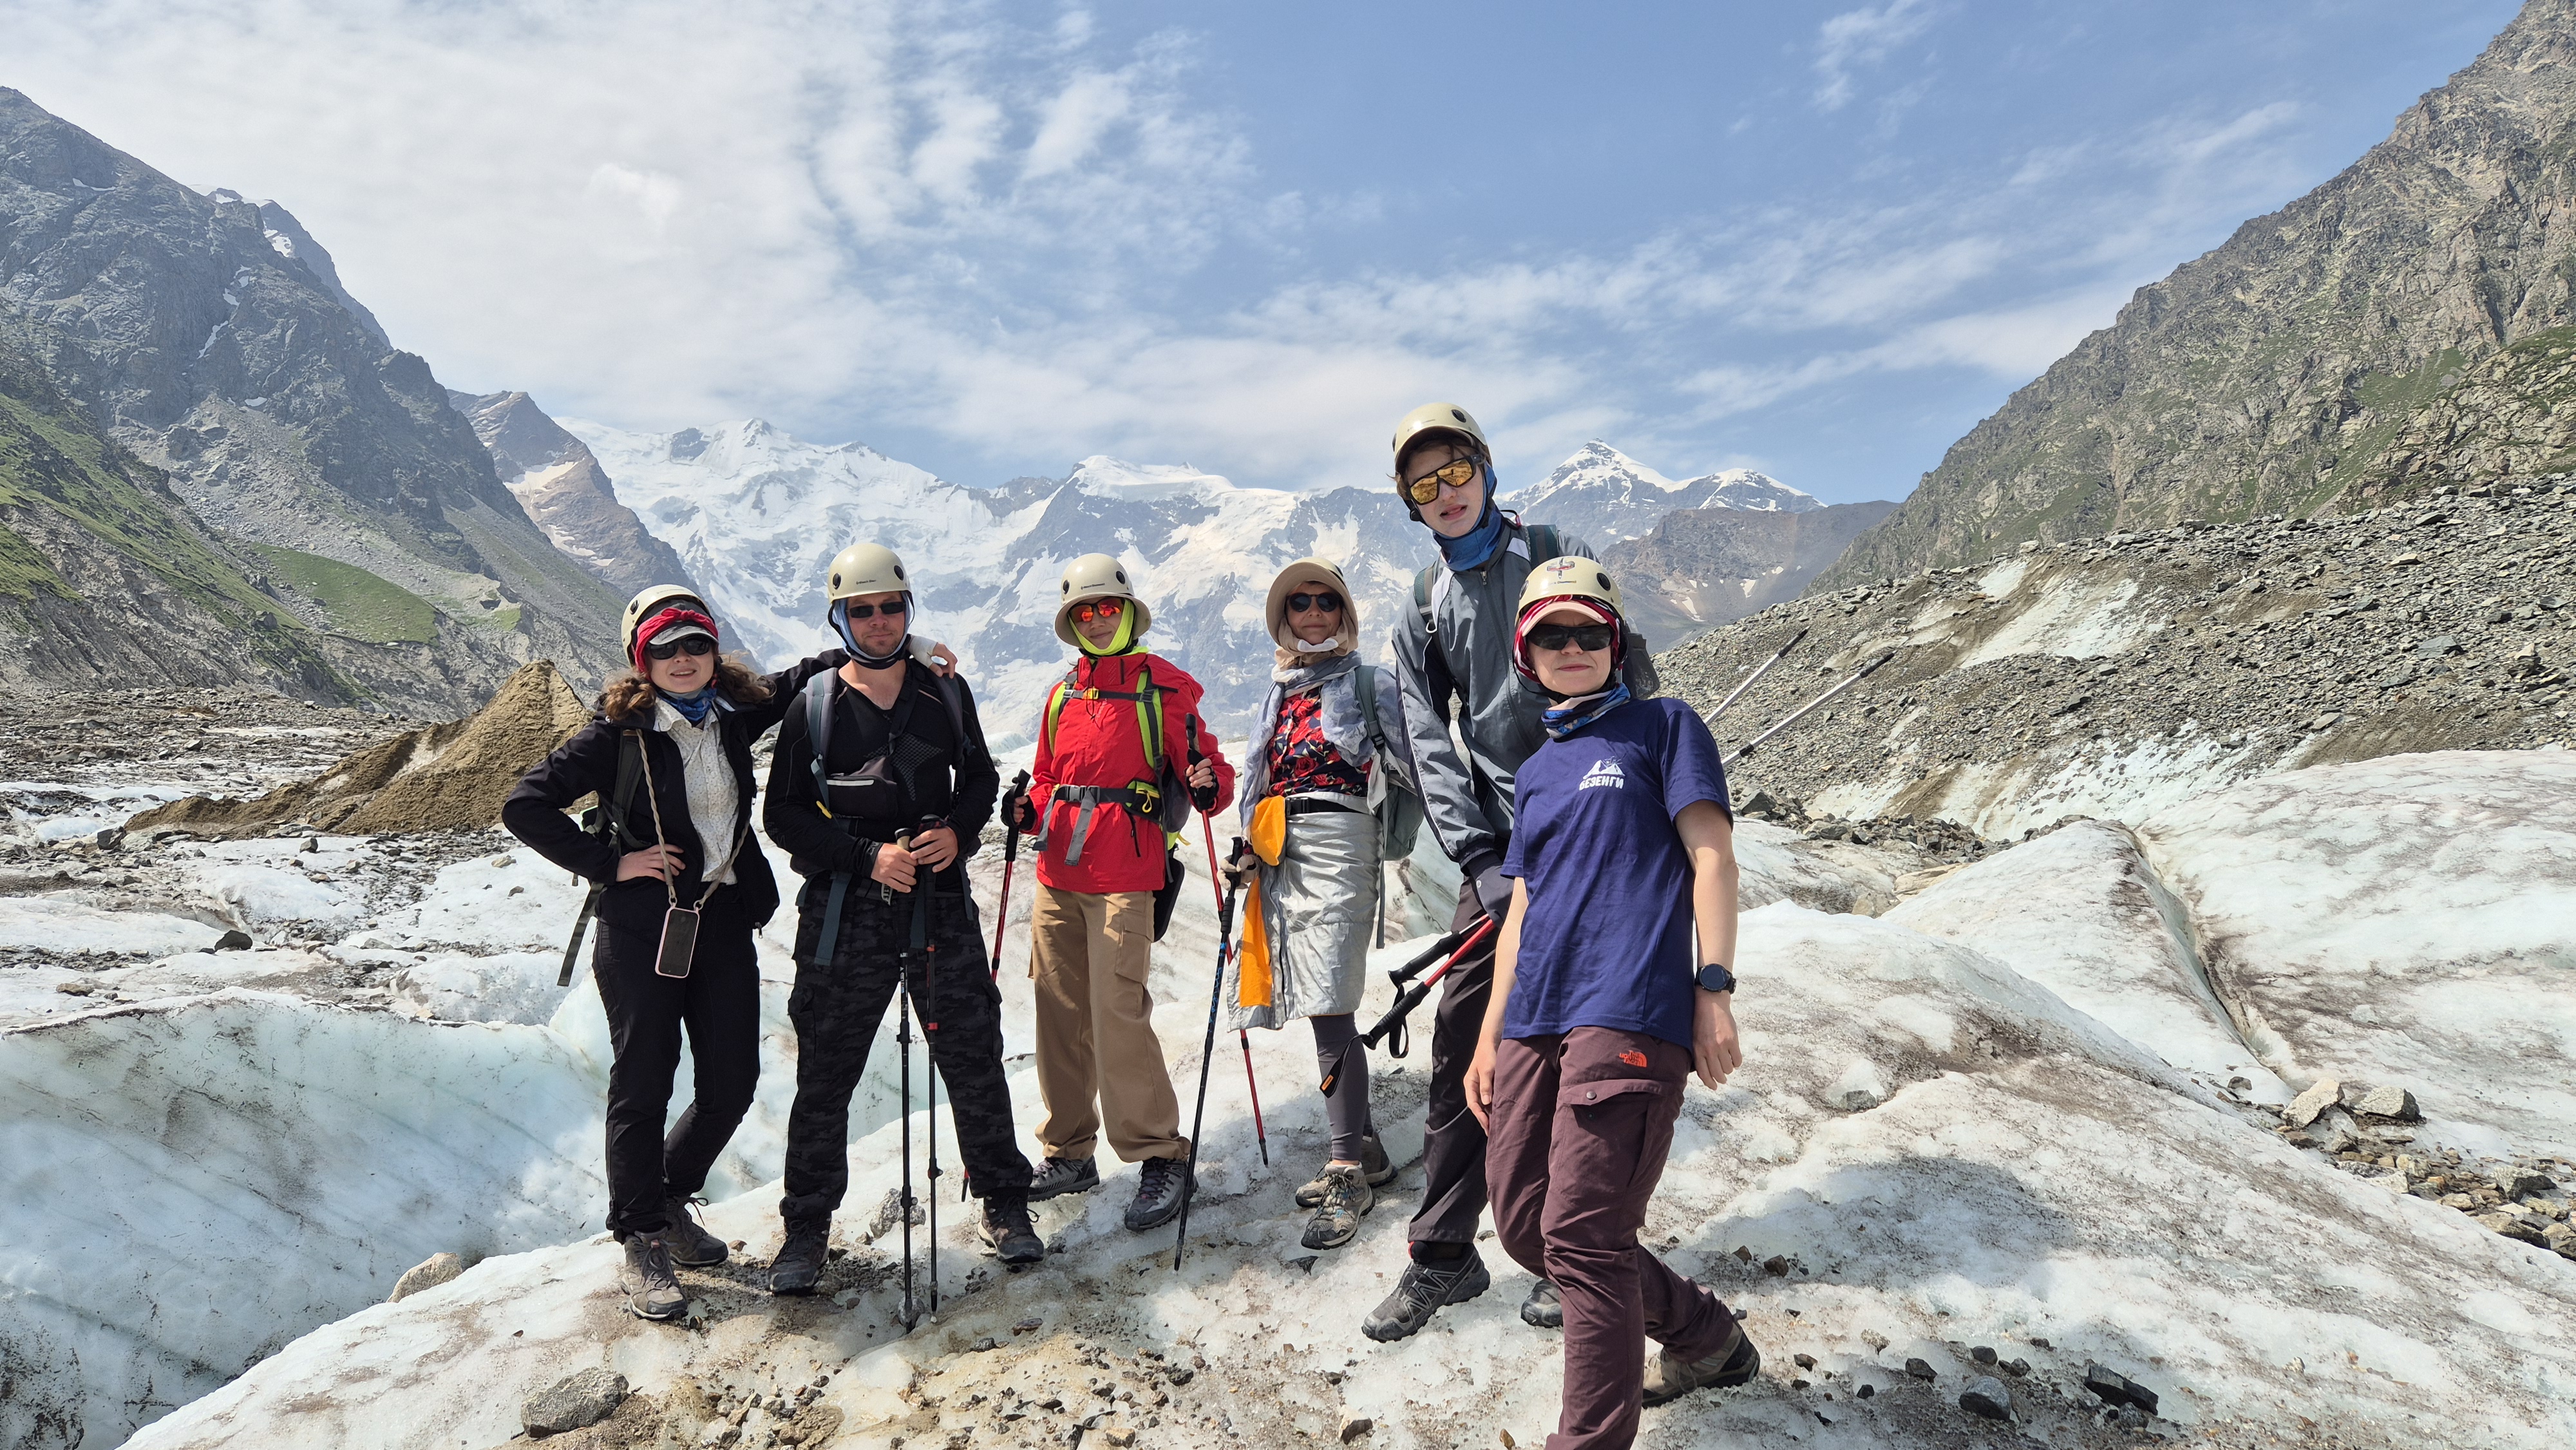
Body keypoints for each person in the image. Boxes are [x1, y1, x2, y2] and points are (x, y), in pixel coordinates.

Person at [1369, 402, 1660, 1342]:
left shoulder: (1553, 551)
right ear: (1411, 504)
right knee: (1467, 1044)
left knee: (1598, 1045)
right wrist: (1481, 857)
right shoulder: (1423, 605)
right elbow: (1424, 737)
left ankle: (1576, 1244)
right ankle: (1445, 1254)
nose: (1445, 493)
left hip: (1597, 835)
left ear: (1487, 471)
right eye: (1424, 483)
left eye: (1456, 471)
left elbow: (1627, 670)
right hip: (1503, 847)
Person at [1465, 556, 1755, 1449]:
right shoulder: (1540, 770)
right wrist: (1488, 1037)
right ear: (1528, 654)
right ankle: (1706, 1337)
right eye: (1552, 634)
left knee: (1585, 1236)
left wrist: (1713, 988)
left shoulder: (1664, 727)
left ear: (1617, 639)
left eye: (1591, 630)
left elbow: (1712, 857)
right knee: (1524, 1229)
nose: (1573, 646)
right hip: (1534, 1020)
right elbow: (1522, 914)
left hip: (1628, 1009)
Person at [502, 585, 849, 1322]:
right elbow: (524, 803)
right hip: (639, 931)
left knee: (731, 1078)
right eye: (666, 648)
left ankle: (665, 1193)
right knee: (644, 1080)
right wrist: (609, 862)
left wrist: (900, 648)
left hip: (719, 918)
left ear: (713, 650)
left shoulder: (733, 707)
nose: (683, 659)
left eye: (695, 644)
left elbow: (807, 674)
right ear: (642, 659)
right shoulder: (615, 733)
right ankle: (643, 1237)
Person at [759, 543, 1043, 1294]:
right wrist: (863, 856)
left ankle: (1004, 1201)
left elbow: (978, 775)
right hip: (846, 909)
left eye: (891, 607)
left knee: (973, 1051)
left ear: (907, 611)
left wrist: (959, 828)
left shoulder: (945, 693)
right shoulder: (814, 704)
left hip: (938, 901)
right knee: (826, 1069)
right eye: (863, 609)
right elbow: (781, 813)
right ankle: (807, 1228)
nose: (879, 621)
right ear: (840, 616)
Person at [1006, 553, 1235, 1232]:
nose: (1098, 620)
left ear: (1130, 612)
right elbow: (1049, 777)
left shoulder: (1162, 690)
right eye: (1085, 611)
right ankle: (1068, 1149)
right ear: (1070, 623)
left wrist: (1207, 786)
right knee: (1057, 1013)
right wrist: (1027, 809)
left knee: (1115, 1015)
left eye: (1108, 608)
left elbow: (1209, 770)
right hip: (1058, 874)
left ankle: (1159, 1151)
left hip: (1125, 878)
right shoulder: (1061, 696)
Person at [1227, 558, 1421, 1250]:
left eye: (1327, 602)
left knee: (1332, 996)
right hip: (1281, 848)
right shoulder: (1277, 690)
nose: (1313, 613)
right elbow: (1262, 773)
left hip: (1342, 841)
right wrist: (1249, 839)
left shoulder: (1371, 683)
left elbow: (1413, 760)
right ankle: (1364, 1149)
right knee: (1317, 997)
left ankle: (1345, 1165)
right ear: (1284, 617)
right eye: (1300, 603)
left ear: (1345, 614)